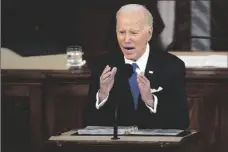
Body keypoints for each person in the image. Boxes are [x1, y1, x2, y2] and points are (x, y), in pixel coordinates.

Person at [83, 4, 189, 129]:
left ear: (149, 34)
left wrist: (151, 101)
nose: (126, 39)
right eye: (122, 32)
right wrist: (102, 95)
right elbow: (88, 123)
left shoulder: (171, 66)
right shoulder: (103, 66)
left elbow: (182, 122)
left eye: (133, 33)